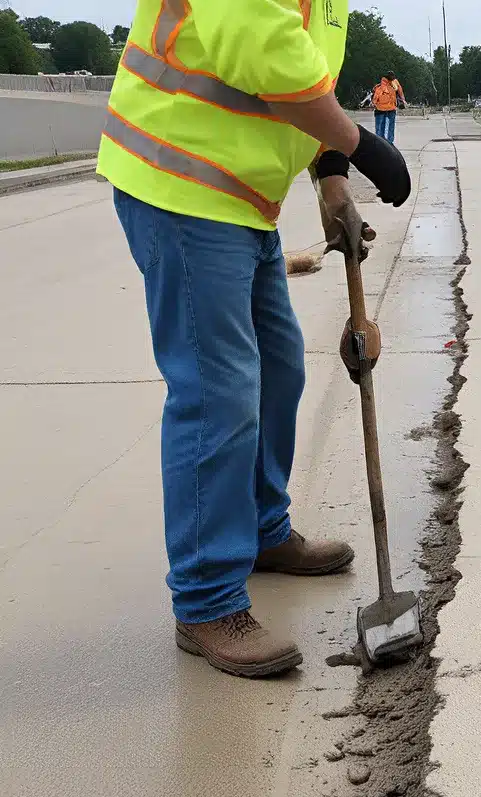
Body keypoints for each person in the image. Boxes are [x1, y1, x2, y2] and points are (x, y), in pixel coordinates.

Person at [96, 0, 411, 679]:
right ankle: (207, 600)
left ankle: (262, 531)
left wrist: (331, 178)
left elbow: (310, 74)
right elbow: (265, 51)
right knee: (218, 392)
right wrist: (363, 144)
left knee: (278, 369)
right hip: (179, 176)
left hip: (238, 194)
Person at [365, 71, 405, 145]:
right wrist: (403, 100)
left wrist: (373, 103)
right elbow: (400, 92)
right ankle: (390, 143)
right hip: (391, 108)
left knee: (380, 127)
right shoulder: (395, 83)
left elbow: (375, 98)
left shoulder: (379, 86)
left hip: (380, 109)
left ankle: (380, 143)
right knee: (391, 127)